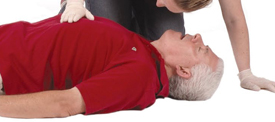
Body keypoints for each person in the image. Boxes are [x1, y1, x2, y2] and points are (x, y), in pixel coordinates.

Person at [59, 0, 275, 92]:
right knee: (110, 53)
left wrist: (246, 72)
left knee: (167, 46)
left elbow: (234, 18)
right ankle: (71, 3)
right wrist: (77, 1)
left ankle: (128, 16)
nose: (158, 4)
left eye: (170, 5)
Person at [0, 14, 224, 118]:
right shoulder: (146, 52)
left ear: (183, 71)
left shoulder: (140, 78)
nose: (198, 36)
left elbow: (65, 104)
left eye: (200, 49)